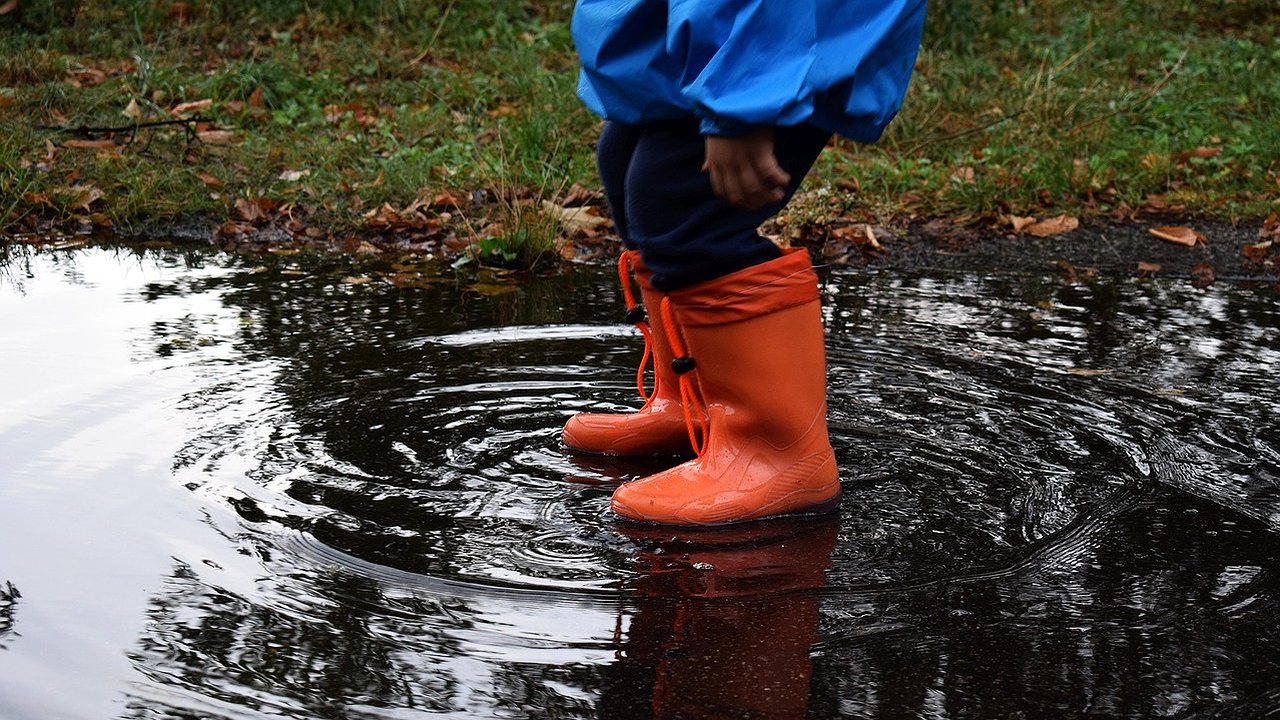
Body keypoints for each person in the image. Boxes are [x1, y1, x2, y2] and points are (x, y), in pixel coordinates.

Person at [563, 0, 928, 526]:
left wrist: (744, 101)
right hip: (703, 40)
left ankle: (776, 454)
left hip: (768, 45)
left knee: (682, 204)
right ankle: (694, 406)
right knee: (626, 167)